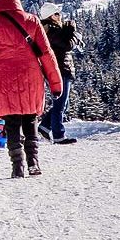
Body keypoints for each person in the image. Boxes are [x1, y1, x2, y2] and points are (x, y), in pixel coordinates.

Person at [0, 0, 63, 178]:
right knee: (31, 120)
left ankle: (17, 166)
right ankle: (34, 163)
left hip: (3, 78)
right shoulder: (32, 20)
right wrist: (56, 84)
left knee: (12, 123)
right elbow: (47, 53)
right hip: (31, 77)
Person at [41, 8, 80, 144]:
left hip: (61, 68)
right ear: (49, 15)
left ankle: (44, 127)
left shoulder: (52, 29)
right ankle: (58, 135)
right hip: (60, 69)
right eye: (56, 14)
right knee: (60, 104)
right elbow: (67, 45)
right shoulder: (49, 29)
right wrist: (71, 31)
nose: (59, 16)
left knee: (63, 104)